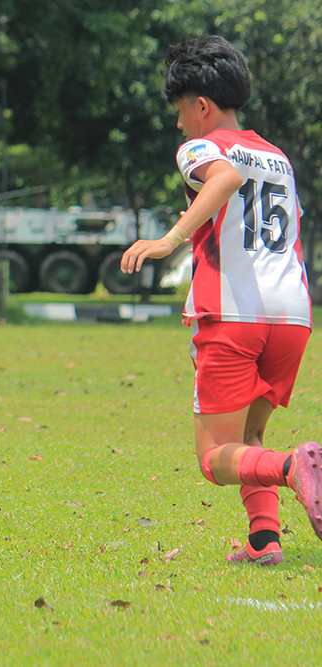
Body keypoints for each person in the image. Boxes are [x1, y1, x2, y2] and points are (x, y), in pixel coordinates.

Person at [121, 35, 321, 566]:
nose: (180, 123)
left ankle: (293, 467)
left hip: (232, 311)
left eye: (181, 111)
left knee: (214, 458)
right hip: (294, 315)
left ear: (202, 105)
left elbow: (226, 178)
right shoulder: (276, 155)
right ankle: (265, 540)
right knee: (250, 433)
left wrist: (168, 240)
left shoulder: (203, 147)